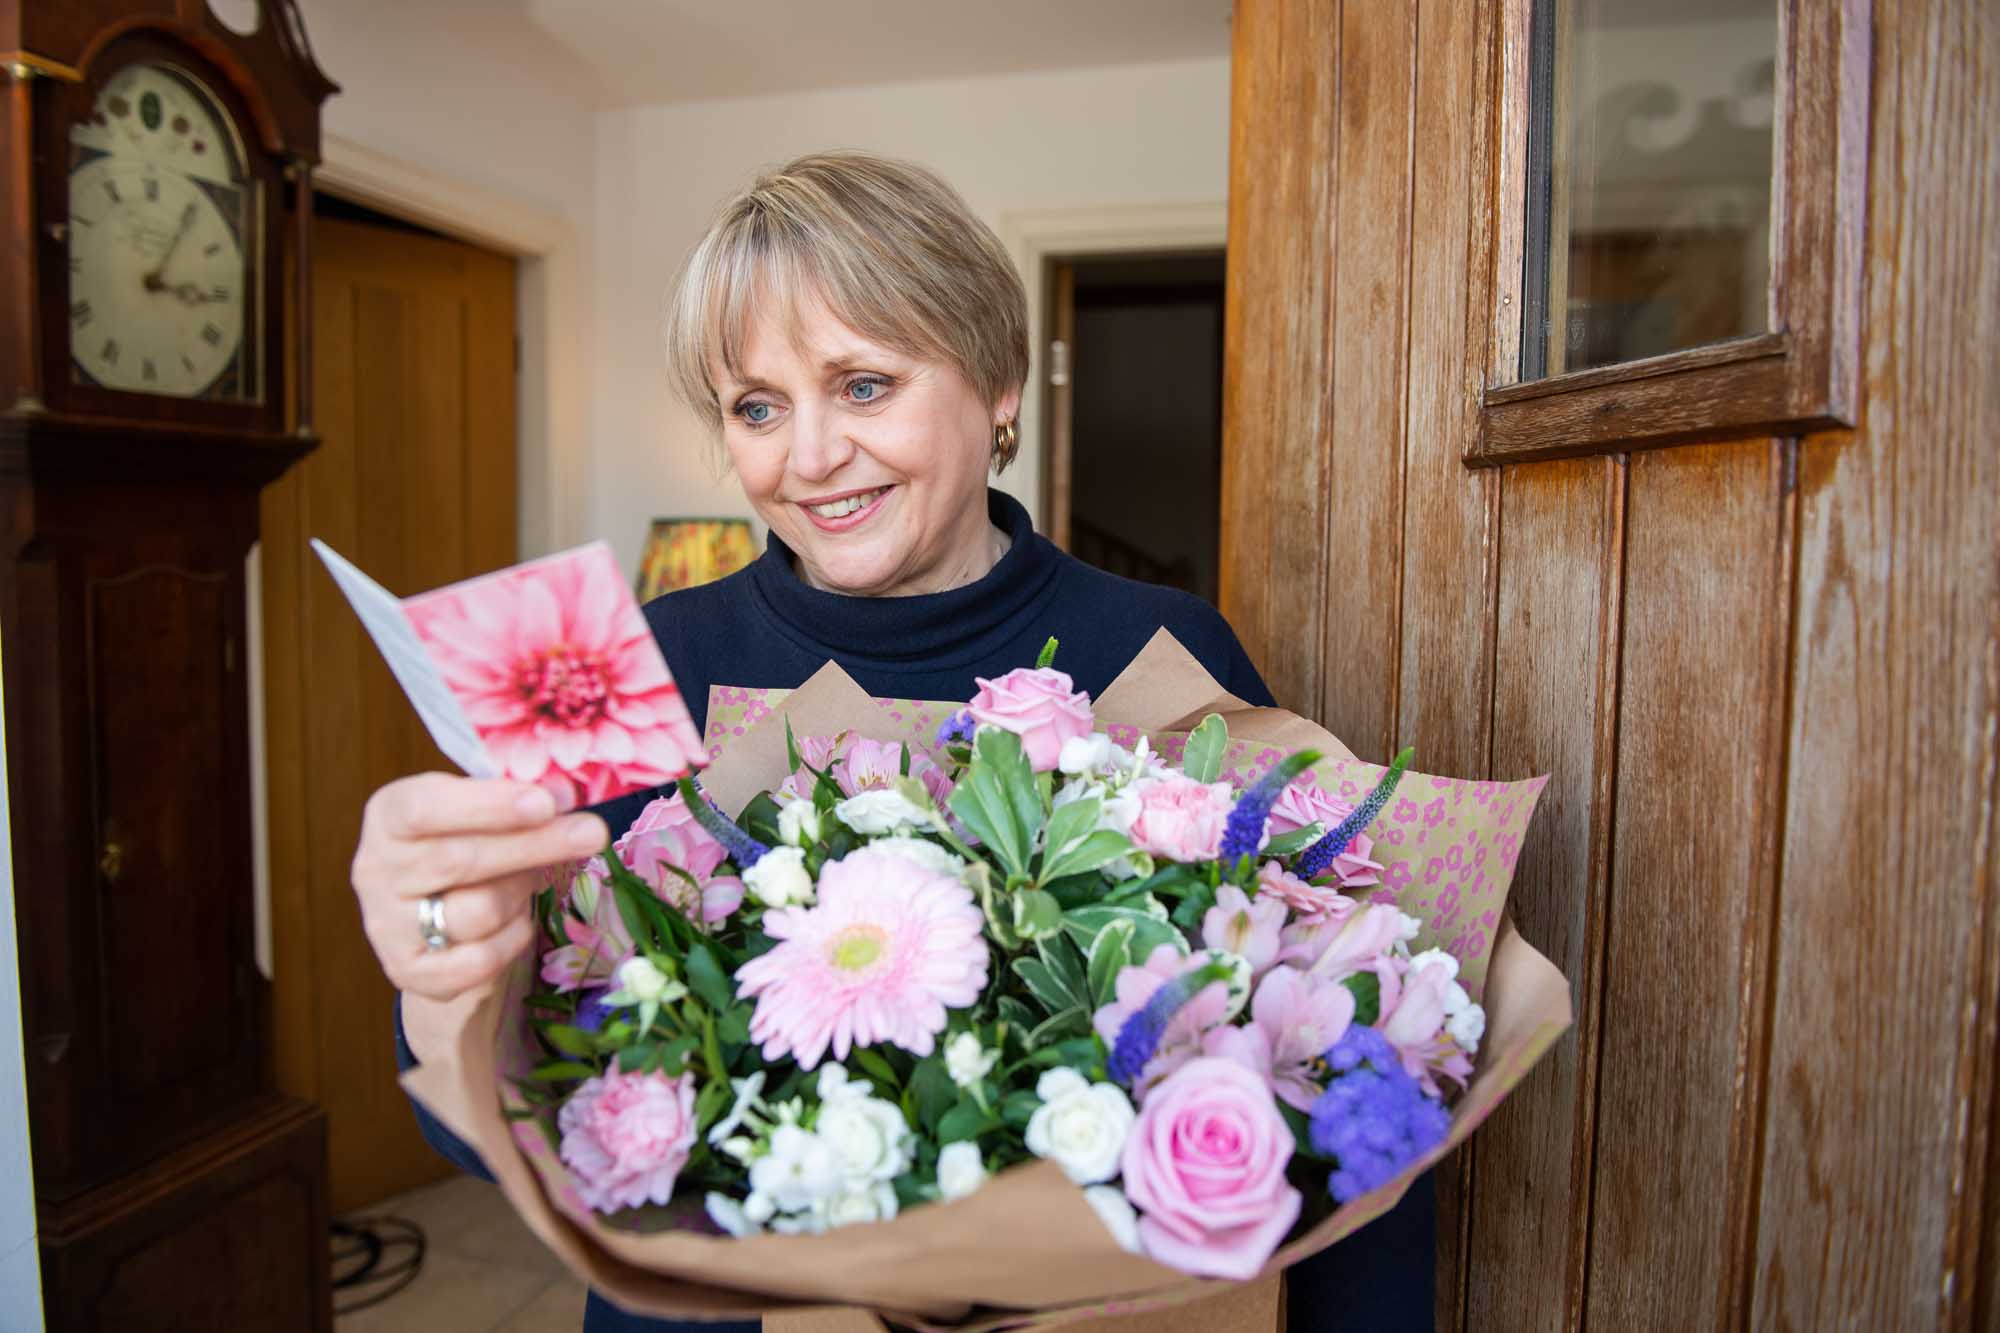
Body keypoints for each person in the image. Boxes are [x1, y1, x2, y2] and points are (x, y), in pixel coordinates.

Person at [353, 151, 1435, 1333]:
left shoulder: (1162, 652)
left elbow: (1337, 1090)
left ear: (999, 385)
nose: (805, 456)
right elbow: (472, 1125)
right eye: (755, 406)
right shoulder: (643, 660)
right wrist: (436, 966)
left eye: (862, 385)